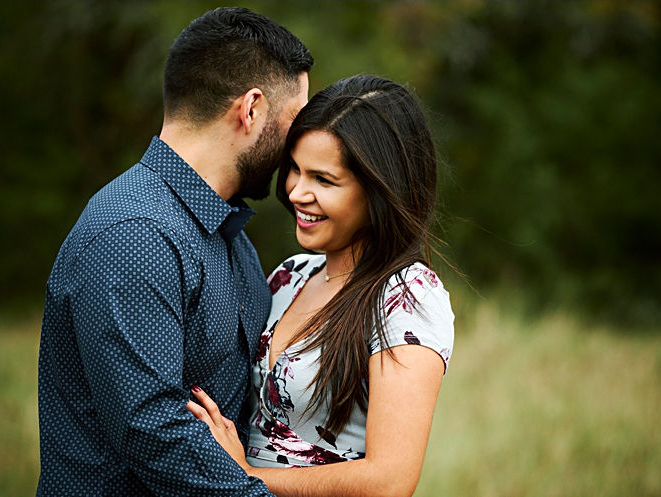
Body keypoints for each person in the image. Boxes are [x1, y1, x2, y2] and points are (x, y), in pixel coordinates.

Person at [37, 7, 312, 496]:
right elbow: (152, 428)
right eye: (295, 121)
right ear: (251, 110)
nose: (297, 148)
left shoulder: (230, 237)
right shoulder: (134, 233)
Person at [187, 75, 455, 497]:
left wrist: (245, 476)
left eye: (323, 180)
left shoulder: (408, 296)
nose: (296, 191)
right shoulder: (291, 274)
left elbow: (390, 481)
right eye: (295, 169)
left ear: (379, 191)